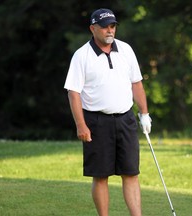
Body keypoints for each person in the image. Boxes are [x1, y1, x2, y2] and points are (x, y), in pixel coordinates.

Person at [64, 8, 152, 216]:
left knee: (131, 173)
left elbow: (137, 84)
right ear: (92, 29)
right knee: (101, 175)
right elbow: (73, 93)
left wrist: (144, 114)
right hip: (96, 121)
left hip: (126, 119)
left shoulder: (126, 50)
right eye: (104, 27)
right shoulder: (82, 56)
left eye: (112, 26)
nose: (109, 30)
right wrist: (80, 124)